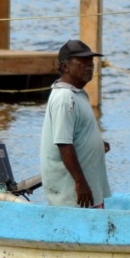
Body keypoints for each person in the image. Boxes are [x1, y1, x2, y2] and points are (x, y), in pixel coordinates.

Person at [40, 39, 111, 207]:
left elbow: (76, 134)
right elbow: (63, 143)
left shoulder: (77, 94)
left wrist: (96, 145)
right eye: (83, 61)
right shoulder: (65, 98)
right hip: (74, 193)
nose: (89, 66)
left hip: (88, 187)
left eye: (91, 61)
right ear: (65, 67)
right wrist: (80, 183)